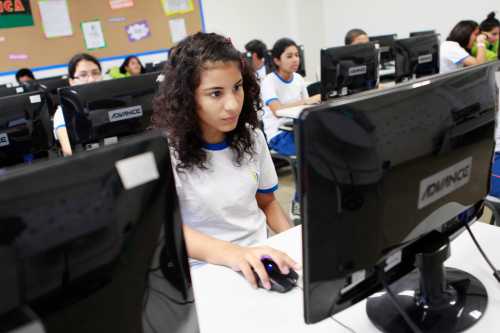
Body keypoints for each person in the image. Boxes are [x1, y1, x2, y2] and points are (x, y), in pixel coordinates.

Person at [151, 32, 299, 290]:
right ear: (188, 97)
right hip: (204, 272)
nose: (232, 104)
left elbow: (268, 203)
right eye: (215, 93)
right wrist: (234, 254)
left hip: (260, 258)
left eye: (237, 87)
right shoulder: (167, 152)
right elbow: (167, 233)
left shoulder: (252, 138)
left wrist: (295, 244)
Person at [260, 38, 320, 221]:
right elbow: (277, 110)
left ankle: (317, 200)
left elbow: (308, 109)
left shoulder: (299, 79)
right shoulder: (269, 81)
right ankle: (298, 205)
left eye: (297, 55)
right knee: (309, 156)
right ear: (277, 60)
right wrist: (307, 101)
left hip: (297, 130)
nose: (295, 60)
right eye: (289, 56)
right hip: (278, 134)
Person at [53, 53, 103, 156]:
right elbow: (69, 153)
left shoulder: (114, 103)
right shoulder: (62, 114)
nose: (92, 79)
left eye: (95, 73)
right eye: (83, 75)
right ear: (72, 81)